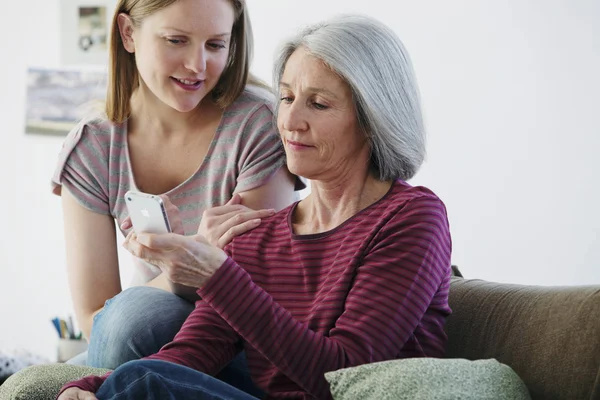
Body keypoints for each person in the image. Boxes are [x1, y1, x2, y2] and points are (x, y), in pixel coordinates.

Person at [57, 13, 452, 400]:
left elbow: (345, 376)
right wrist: (86, 386)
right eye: (287, 97)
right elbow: (190, 355)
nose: (290, 121)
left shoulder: (412, 218)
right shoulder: (258, 234)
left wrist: (218, 275)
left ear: (372, 118)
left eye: (318, 104)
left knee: (146, 383)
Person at [51, 0, 298, 395]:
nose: (197, 65)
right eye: (176, 40)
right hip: (141, 332)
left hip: (243, 335)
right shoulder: (94, 146)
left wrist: (194, 270)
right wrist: (183, 271)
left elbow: (266, 291)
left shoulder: (257, 124)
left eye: (215, 45)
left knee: (134, 319)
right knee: (123, 326)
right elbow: (94, 316)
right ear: (129, 34)